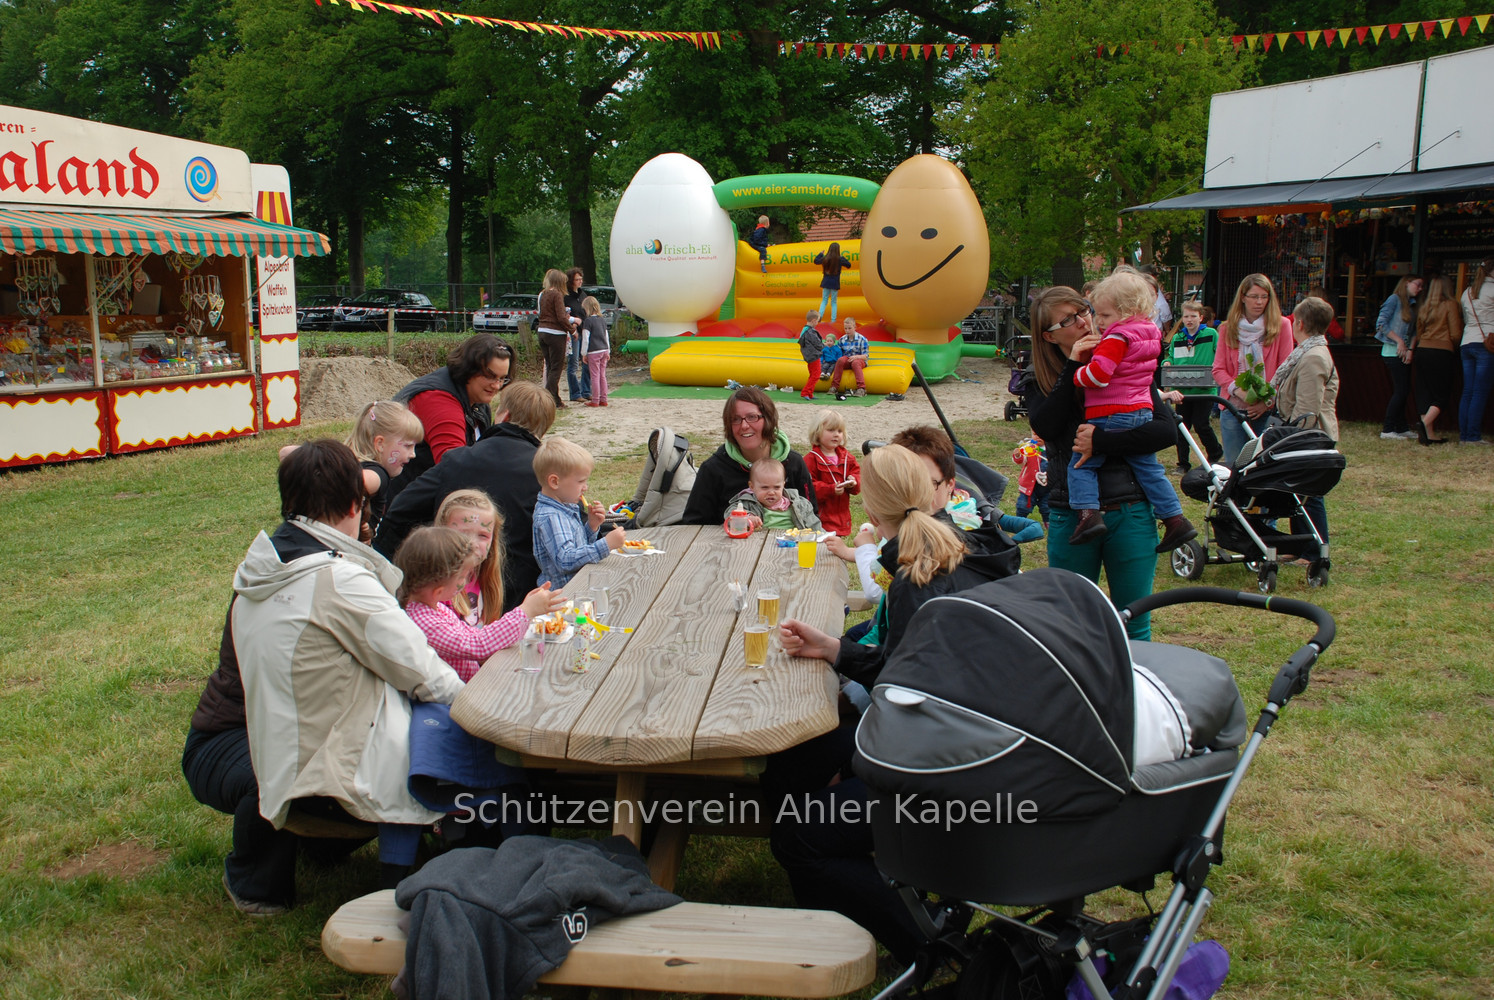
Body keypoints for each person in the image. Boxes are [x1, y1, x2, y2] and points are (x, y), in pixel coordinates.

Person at [182, 440, 466, 915]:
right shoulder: (336, 579)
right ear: (356, 505)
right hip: (238, 740)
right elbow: (421, 670)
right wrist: (478, 710)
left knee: (326, 750)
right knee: (391, 753)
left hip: (233, 734)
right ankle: (256, 881)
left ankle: (321, 847)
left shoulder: (270, 562)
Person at [770, 444, 1020, 963]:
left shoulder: (917, 578)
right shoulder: (972, 542)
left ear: (870, 507)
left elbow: (906, 698)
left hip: (950, 768)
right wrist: (835, 649)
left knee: (798, 836)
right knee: (791, 762)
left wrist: (859, 767)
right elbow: (910, 668)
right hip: (994, 740)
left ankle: (927, 946)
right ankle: (849, 892)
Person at [1028, 285, 1177, 642]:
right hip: (1071, 513)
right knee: (1072, 624)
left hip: (1129, 508)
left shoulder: (1123, 360)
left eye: (1084, 311)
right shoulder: (1040, 377)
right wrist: (1073, 367)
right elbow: (1046, 427)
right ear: (1049, 336)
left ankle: (1134, 681)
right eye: (1068, 320)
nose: (1083, 322)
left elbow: (1165, 430)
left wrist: (1102, 442)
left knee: (1134, 622)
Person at [375, 382, 557, 609]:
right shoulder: (550, 474)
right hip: (523, 595)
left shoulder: (457, 459)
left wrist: (390, 579)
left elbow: (400, 511)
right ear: (544, 429)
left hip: (454, 592)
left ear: (504, 415)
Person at [1065, 270, 1194, 552]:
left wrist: (1077, 374)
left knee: (1081, 465)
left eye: (1105, 315)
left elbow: (1100, 375)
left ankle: (1088, 514)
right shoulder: (1149, 333)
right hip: (1140, 409)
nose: (1099, 321)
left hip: (1110, 410)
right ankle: (1175, 518)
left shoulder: (1117, 337)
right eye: (1097, 314)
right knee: (1149, 469)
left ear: (1127, 311)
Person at [396, 526, 565, 682]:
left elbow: (473, 634)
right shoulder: (427, 624)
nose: (465, 582)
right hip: (461, 696)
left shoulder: (433, 607)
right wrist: (525, 611)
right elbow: (476, 644)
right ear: (438, 591)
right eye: (462, 577)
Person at [389, 334, 513, 501]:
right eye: (489, 376)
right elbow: (456, 470)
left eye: (502, 378)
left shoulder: (476, 395)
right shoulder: (438, 401)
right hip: (405, 503)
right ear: (469, 369)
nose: (496, 385)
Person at [681, 387, 817, 525]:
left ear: (768, 419)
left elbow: (812, 516)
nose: (744, 425)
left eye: (752, 417)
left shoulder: (793, 463)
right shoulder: (713, 469)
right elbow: (693, 524)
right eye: (735, 419)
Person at [1273, 297, 1339, 565]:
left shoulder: (1313, 357)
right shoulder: (1308, 352)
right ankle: (1300, 547)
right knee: (1298, 493)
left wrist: (1295, 438)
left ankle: (1313, 553)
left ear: (1299, 323)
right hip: (1306, 434)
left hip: (1311, 436)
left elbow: (1308, 408)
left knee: (1309, 496)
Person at [1213, 274, 1294, 461]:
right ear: (1243, 297)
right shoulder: (1227, 328)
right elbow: (1218, 370)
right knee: (1235, 463)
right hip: (1233, 408)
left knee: (1264, 464)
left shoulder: (1282, 325)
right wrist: (1238, 391)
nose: (1259, 302)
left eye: (1264, 297)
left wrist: (1266, 402)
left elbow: (1286, 370)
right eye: (1254, 296)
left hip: (1266, 409)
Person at [531, 436, 625, 588]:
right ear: (554, 482)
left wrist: (591, 527)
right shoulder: (551, 516)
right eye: (581, 481)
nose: (585, 487)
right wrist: (606, 544)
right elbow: (566, 560)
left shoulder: (564, 507)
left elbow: (578, 549)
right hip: (565, 594)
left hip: (578, 588)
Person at [1160, 301, 1223, 472]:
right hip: (1182, 390)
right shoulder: (1178, 338)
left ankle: (1215, 453)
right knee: (1182, 426)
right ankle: (1183, 463)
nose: (1189, 320)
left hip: (1205, 389)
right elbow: (1171, 357)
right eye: (1186, 316)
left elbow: (1220, 354)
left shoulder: (1211, 334)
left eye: (1193, 316)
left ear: (1201, 317)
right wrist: (1167, 363)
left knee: (1201, 424)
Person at [434, 489, 504, 623]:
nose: (472, 544)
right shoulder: (438, 590)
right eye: (462, 534)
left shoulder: (482, 578)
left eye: (483, 535)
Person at [1410, 275, 1459, 446]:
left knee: (1425, 392)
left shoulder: (1424, 307)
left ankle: (1429, 434)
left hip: (1423, 350)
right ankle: (1424, 425)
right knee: (1441, 394)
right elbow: (1455, 333)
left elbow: (1419, 331)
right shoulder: (1450, 305)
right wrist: (1452, 344)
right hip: (1442, 351)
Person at [1375, 275, 1424, 440]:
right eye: (1418, 285)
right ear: (1407, 283)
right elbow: (1381, 323)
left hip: (1404, 351)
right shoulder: (1394, 299)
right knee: (1401, 390)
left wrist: (1410, 349)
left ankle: (1401, 427)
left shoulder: (1412, 304)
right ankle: (1388, 428)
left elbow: (1415, 330)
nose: (1420, 289)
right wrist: (1399, 341)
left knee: (1404, 390)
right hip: (1392, 351)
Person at [724, 457, 822, 532]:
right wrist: (746, 518)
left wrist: (822, 537)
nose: (771, 492)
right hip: (759, 544)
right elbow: (730, 514)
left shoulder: (799, 503)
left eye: (776, 487)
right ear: (752, 486)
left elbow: (815, 525)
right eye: (765, 487)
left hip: (791, 543)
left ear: (783, 485)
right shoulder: (748, 502)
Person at [804, 409, 860, 537]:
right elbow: (808, 488)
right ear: (817, 432)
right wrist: (830, 489)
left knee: (837, 546)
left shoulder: (848, 458)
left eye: (840, 431)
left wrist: (854, 481)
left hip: (842, 518)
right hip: (821, 519)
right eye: (831, 430)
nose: (836, 435)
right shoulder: (811, 459)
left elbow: (859, 476)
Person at [1459, 256, 1494, 445]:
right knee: (1480, 392)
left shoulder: (1467, 292)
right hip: (1486, 343)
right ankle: (1473, 436)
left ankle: (1464, 435)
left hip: (1467, 342)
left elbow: (1465, 318)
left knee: (1468, 391)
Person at [537, 268, 572, 408]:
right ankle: (547, 398)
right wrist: (572, 330)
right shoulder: (557, 294)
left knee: (550, 366)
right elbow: (561, 317)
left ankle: (556, 399)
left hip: (542, 331)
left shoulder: (543, 294)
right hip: (555, 333)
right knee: (556, 369)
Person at [563, 267, 592, 403]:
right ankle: (575, 393)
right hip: (574, 333)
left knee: (586, 361)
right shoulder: (565, 297)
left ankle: (586, 390)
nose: (580, 281)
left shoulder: (583, 295)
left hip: (584, 331)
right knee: (573, 363)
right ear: (571, 281)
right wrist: (573, 324)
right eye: (577, 279)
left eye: (581, 279)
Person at [1011, 434, 1050, 527]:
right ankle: (1020, 523)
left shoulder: (1052, 448)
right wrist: (1018, 456)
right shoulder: (1029, 447)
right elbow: (1021, 461)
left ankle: (1049, 523)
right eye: (1035, 434)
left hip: (1048, 486)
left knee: (1047, 507)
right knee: (1023, 506)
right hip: (1029, 487)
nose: (1038, 437)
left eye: (1041, 434)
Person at [580, 295, 610, 407]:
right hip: (604, 349)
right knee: (602, 375)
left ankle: (595, 400)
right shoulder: (602, 320)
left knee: (595, 376)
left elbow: (586, 339)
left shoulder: (588, 321)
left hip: (594, 351)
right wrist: (608, 350)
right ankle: (604, 399)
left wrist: (584, 353)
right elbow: (606, 336)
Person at [830, 317, 870, 397]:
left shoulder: (862, 339)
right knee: (840, 360)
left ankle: (861, 388)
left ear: (855, 327)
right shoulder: (842, 339)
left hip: (859, 359)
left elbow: (865, 356)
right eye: (845, 329)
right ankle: (834, 386)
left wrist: (856, 357)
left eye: (849, 328)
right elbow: (839, 352)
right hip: (847, 359)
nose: (847, 331)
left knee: (855, 363)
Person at [813, 242, 849, 323]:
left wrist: (820, 254)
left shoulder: (825, 258)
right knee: (834, 302)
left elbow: (816, 261)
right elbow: (848, 265)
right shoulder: (840, 259)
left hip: (826, 282)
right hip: (835, 283)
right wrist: (842, 257)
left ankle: (819, 317)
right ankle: (833, 320)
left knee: (824, 301)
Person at [798, 310, 825, 400]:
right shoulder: (810, 332)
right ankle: (805, 392)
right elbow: (817, 344)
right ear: (813, 321)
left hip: (809, 355)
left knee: (813, 374)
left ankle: (810, 393)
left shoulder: (804, 330)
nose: (817, 323)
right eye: (817, 321)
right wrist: (824, 345)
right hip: (814, 356)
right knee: (816, 375)